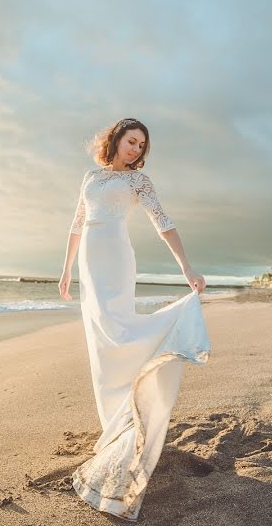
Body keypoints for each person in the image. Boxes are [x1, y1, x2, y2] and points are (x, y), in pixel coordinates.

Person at [58, 118, 211, 521]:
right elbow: (76, 224)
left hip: (116, 256)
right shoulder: (90, 176)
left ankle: (132, 417)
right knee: (100, 341)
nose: (136, 150)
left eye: (142, 145)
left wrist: (187, 269)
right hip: (90, 263)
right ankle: (117, 424)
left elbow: (164, 223)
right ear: (115, 140)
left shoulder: (140, 184)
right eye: (131, 142)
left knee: (119, 329)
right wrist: (66, 269)